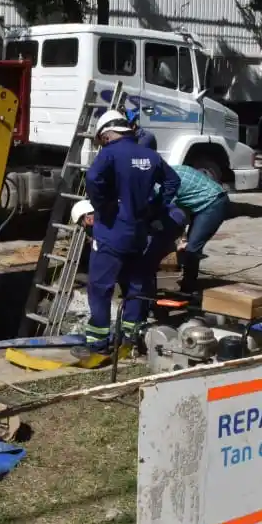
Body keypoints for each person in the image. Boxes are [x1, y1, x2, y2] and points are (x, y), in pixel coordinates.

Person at [77, 109, 182, 357]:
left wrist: (103, 206)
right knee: (135, 285)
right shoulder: (149, 155)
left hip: (111, 232)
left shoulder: (110, 154)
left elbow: (92, 178)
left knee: (100, 288)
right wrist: (155, 208)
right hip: (138, 233)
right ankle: (131, 339)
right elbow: (172, 182)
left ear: (106, 135)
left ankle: (98, 343)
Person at [168, 164, 230, 293]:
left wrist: (179, 238)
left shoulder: (163, 184)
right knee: (187, 246)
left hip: (213, 203)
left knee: (192, 249)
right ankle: (188, 283)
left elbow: (173, 215)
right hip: (201, 200)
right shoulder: (173, 168)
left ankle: (188, 291)